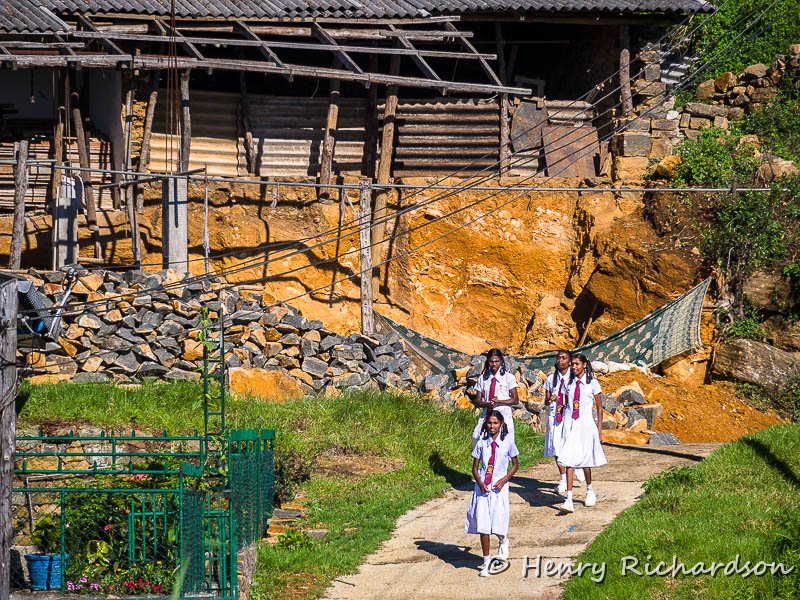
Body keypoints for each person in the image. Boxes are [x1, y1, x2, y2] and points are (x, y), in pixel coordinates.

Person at [465, 410, 520, 576]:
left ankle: (503, 539)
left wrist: (504, 480)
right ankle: (486, 561)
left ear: (501, 424)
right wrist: (479, 482)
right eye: (489, 423)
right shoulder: (482, 443)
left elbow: (515, 465)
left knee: (498, 521)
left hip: (499, 487)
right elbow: (475, 468)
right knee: (483, 525)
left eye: (495, 423)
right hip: (483, 486)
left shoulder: (508, 443)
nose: (492, 426)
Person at [557, 353, 607, 513]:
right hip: (571, 425)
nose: (574, 367)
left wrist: (599, 431)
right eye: (572, 364)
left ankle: (590, 489)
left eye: (577, 364)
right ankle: (569, 499)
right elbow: (565, 404)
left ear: (584, 365)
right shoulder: (568, 383)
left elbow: (599, 409)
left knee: (585, 461)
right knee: (568, 460)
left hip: (586, 426)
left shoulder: (592, 383)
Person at [471, 349, 519, 450]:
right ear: (487, 362)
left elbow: (515, 400)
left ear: (501, 361)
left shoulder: (508, 377)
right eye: (491, 361)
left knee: (505, 443)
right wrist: (487, 404)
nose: (494, 364)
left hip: (503, 414)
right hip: (487, 413)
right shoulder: (482, 378)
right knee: (477, 436)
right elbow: (477, 400)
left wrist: (499, 401)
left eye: (496, 361)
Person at [543, 350, 571, 494]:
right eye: (558, 358)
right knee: (556, 447)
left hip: (568, 416)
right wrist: (551, 399)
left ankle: (575, 468)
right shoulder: (551, 379)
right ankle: (563, 479)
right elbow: (546, 401)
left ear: (569, 362)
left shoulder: (573, 378)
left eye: (564, 358)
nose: (560, 360)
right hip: (555, 417)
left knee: (568, 445)